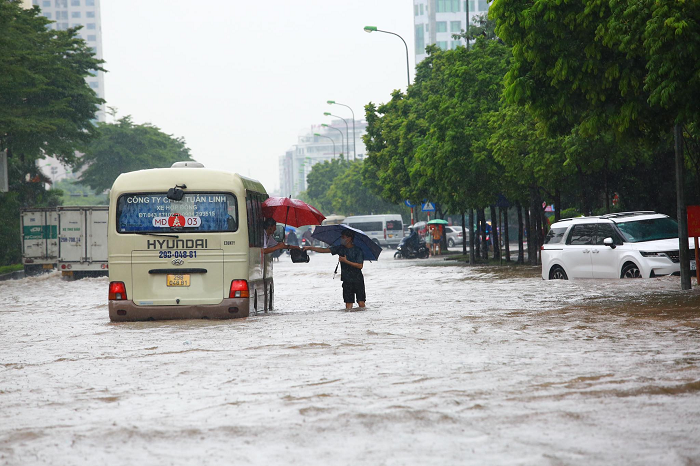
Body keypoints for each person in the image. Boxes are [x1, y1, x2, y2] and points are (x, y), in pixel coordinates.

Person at [303, 229, 365, 309]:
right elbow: (325, 250)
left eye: (343, 237)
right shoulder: (340, 248)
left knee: (361, 302)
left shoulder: (358, 250)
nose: (341, 239)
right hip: (346, 280)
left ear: (349, 239)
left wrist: (345, 261)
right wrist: (310, 248)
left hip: (357, 280)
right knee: (348, 304)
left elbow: (360, 266)